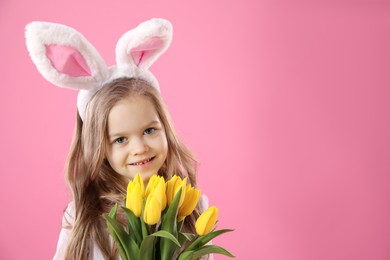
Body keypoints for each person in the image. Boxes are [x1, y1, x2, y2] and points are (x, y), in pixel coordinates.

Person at [25, 19, 210, 259]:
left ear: (166, 128)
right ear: (99, 147)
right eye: (120, 140)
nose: (140, 148)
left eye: (149, 131)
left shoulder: (191, 208)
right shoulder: (84, 218)